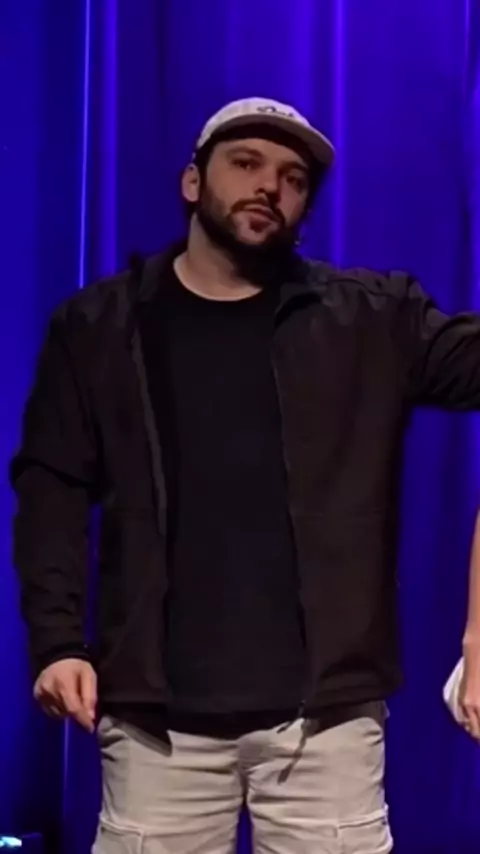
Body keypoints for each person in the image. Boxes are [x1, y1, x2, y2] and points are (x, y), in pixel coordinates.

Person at [10, 95, 480, 854]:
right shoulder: (102, 328)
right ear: (193, 181)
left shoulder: (368, 320)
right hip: (159, 725)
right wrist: (58, 641)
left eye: (294, 178)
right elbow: (51, 489)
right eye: (247, 163)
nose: (270, 186)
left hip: (323, 725)